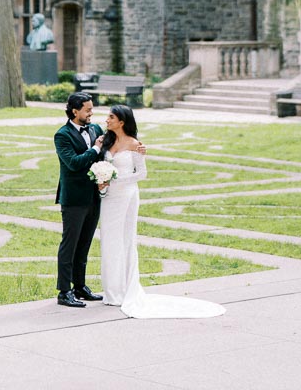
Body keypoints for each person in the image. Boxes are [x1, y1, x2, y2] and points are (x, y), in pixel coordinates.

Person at [96, 104, 225, 320]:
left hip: (127, 196)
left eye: (111, 117)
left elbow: (142, 174)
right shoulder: (104, 141)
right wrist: (102, 180)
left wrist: (115, 178)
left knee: (125, 239)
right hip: (109, 197)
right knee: (109, 239)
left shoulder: (135, 144)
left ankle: (125, 288)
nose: (107, 120)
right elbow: (98, 163)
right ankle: (111, 291)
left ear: (122, 121)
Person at [53, 91, 145, 308]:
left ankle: (80, 286)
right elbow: (74, 163)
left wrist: (139, 148)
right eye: (88, 110)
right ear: (75, 111)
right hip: (74, 198)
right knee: (70, 244)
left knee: (84, 244)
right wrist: (94, 148)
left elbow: (117, 143)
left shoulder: (95, 129)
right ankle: (64, 291)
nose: (92, 114)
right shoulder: (62, 135)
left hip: (97, 196)